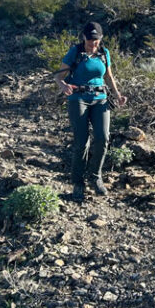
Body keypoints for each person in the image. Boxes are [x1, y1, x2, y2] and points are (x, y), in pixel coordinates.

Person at [54, 21, 126, 203]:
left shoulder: (104, 53)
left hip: (100, 98)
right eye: (89, 40)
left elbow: (108, 76)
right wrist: (62, 85)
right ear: (83, 37)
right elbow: (59, 75)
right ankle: (78, 183)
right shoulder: (75, 52)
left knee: (103, 138)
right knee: (82, 142)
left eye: (96, 41)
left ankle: (95, 176)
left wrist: (117, 94)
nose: (92, 44)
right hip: (78, 99)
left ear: (100, 39)